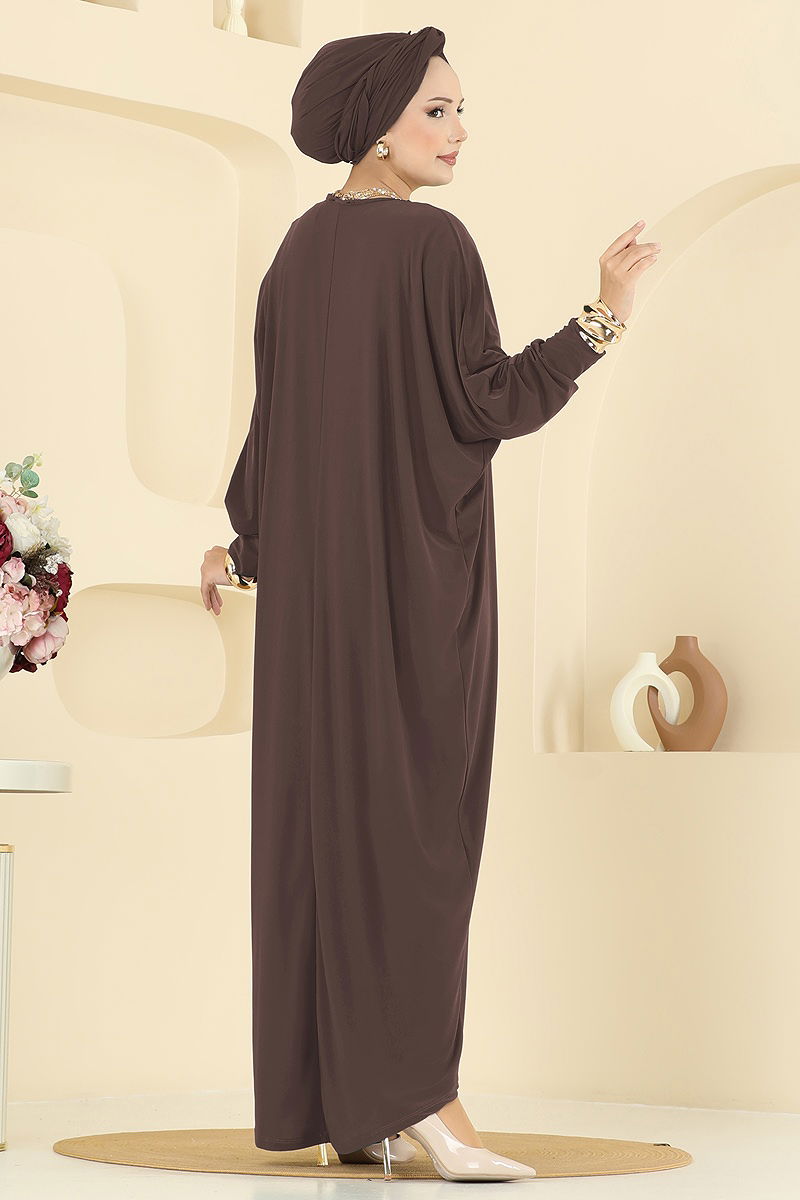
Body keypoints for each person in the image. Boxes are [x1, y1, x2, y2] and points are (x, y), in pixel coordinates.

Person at [199, 26, 660, 1183]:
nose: (458, 132)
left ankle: (349, 1106)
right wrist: (602, 315)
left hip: (311, 604)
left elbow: (274, 426)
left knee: (326, 832)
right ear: (376, 124)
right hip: (408, 591)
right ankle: (428, 1110)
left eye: (457, 110)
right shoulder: (430, 244)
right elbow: (490, 402)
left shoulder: (297, 253)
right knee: (414, 836)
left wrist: (245, 544)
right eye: (436, 111)